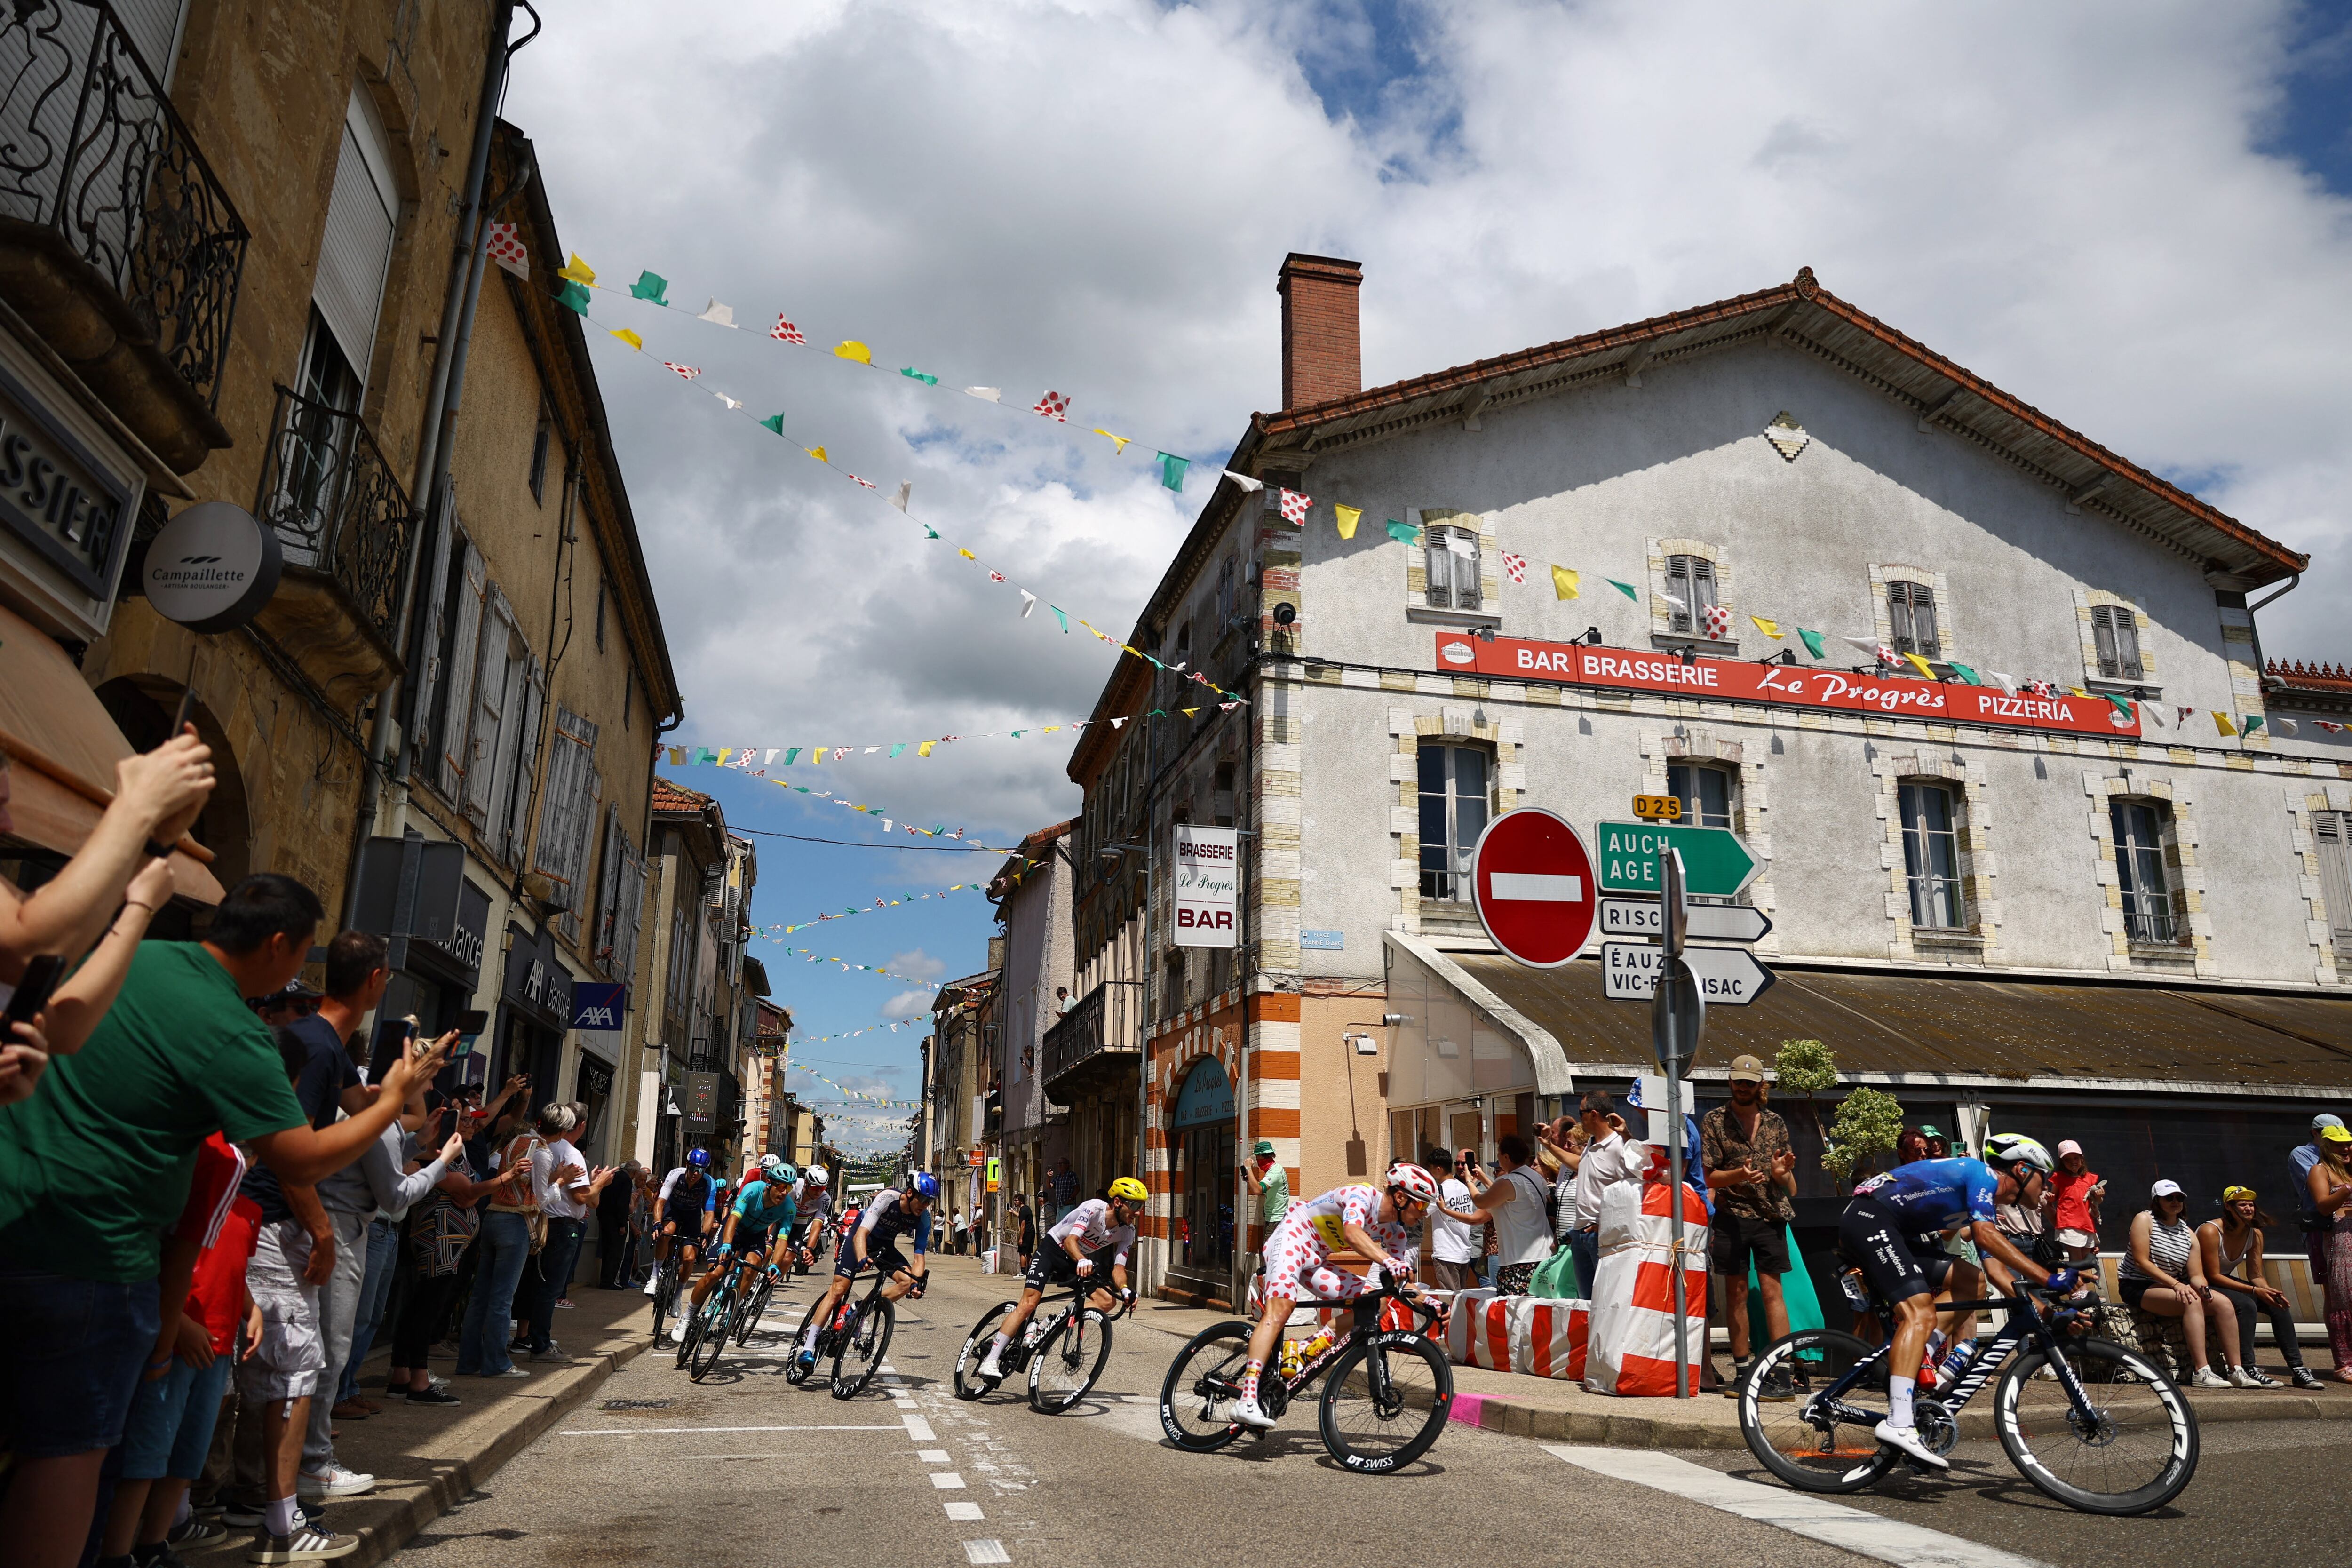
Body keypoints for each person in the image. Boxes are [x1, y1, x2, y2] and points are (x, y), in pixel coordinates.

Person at [0, 873, 446, 1568]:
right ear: (276, 946)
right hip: (95, 1250)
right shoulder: (232, 1029)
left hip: (16, 1216)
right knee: (67, 1458)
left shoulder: (136, 955)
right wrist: (392, 1100)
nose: (302, 972)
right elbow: (297, 1157)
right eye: (301, 955)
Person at [1838, 1133, 2065, 1468]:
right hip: (1871, 1218)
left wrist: (2049, 1312)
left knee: (1972, 1282)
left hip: (1899, 1232)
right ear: (2022, 1169)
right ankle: (1900, 1422)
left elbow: (1997, 1274)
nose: (2046, 1190)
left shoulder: (1986, 1204)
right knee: (1920, 1311)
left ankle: (1922, 1353)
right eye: (2044, 1178)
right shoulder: (1980, 1174)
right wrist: (2049, 1278)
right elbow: (1986, 1236)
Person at [96, 1130, 260, 1568]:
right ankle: (115, 1553)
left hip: (219, 1347)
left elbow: (235, 1269)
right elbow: (164, 1261)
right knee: (147, 1453)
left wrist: (252, 1310)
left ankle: (153, 1544)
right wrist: (178, 1326)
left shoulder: (248, 1210)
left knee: (187, 1454)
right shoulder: (183, 1196)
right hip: (176, 1341)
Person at [1231, 1165, 1451, 1428]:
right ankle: (1247, 1397)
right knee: (1281, 1309)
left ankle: (1305, 1348)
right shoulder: (1362, 1196)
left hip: (1316, 1259)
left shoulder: (1396, 1234)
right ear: (1402, 1198)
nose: (1424, 1214)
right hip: (1292, 1237)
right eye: (1422, 1206)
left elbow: (1398, 1283)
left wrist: (1429, 1302)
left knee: (1376, 1302)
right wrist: (1388, 1260)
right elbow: (1352, 1234)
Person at [386, 1110, 519, 1406]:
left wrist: (474, 1192)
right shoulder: (434, 1156)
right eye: (466, 1119)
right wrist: (505, 1178)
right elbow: (467, 1190)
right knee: (426, 1308)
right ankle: (418, 1381)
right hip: (437, 1238)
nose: (474, 1124)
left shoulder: (459, 1155)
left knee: (425, 1305)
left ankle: (402, 1375)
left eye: (475, 1120)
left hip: (452, 1241)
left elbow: (469, 1196)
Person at [975, 1178, 1144, 1380]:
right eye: (1134, 1206)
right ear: (1118, 1202)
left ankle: (1049, 1323)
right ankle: (991, 1360)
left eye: (1141, 1207)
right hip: (1054, 1249)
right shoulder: (1094, 1209)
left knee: (1107, 1300)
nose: (1138, 1212)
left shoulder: (1128, 1231)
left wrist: (1125, 1289)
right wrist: (1082, 1260)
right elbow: (1071, 1240)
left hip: (1076, 1259)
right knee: (1029, 1303)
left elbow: (1118, 1268)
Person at [1703, 1055, 1799, 1396]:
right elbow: (1709, 1175)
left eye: (1749, 1082)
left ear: (1761, 1084)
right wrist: (1739, 1175)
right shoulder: (1714, 1120)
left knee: (1774, 1293)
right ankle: (1743, 1372)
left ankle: (1783, 1374)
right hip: (1732, 1215)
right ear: (1730, 1082)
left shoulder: (1775, 1123)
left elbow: (1790, 1183)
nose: (1743, 1087)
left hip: (1770, 1214)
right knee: (1737, 1294)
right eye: (1738, 1081)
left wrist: (1779, 1173)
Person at [795, 1174, 937, 1371]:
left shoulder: (924, 1218)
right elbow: (861, 1233)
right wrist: (862, 1257)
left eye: (930, 1202)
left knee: (906, 1282)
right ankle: (809, 1346)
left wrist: (917, 1284)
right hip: (859, 1238)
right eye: (923, 1200)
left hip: (885, 1246)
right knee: (839, 1289)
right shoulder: (888, 1198)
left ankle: (859, 1308)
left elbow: (919, 1257)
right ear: (910, 1193)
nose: (925, 1205)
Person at [2121, 1178, 2249, 1388]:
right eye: (2168, 1198)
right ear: (2157, 1201)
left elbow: (2196, 1274)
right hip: (2139, 1284)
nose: (2175, 1202)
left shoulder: (2187, 1233)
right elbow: (2141, 1261)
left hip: (2172, 1285)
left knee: (2224, 1304)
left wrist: (2202, 1287)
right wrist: (2176, 1285)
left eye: (2179, 1198)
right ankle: (2202, 1371)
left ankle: (2236, 1370)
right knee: (2191, 1302)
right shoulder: (2144, 1219)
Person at [520, 1105, 615, 1360]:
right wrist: (599, 1184)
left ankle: (524, 1338)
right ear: (581, 1126)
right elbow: (584, 1198)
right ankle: (540, 1344)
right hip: (561, 1227)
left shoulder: (540, 1144)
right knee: (550, 1288)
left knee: (534, 1284)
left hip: (538, 1223)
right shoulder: (571, 1153)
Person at [2200, 1185, 2316, 1389]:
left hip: (2224, 1280)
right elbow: (2213, 1275)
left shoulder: (2255, 1233)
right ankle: (2247, 1368)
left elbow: (2255, 1275)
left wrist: (2268, 1291)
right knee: (2246, 1305)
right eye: (2242, 1204)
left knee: (2278, 1305)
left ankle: (2298, 1369)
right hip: (2202, 1282)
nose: (2248, 1209)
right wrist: (2254, 1291)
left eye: (2251, 1205)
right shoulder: (2211, 1230)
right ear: (2228, 1207)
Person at [1445, 1135, 1552, 1295]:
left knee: (1513, 1314)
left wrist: (1469, 1181)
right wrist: (1483, 1178)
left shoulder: (1509, 1181)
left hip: (1519, 1261)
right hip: (1543, 1256)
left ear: (1506, 1156)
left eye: (1499, 1154)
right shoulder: (1534, 1177)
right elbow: (1503, 1197)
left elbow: (1481, 1202)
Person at [692, 1158, 798, 1319]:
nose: (784, 1192)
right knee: (716, 1273)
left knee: (753, 1265)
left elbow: (782, 1239)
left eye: (788, 1187)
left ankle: (731, 1309)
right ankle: (688, 1315)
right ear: (769, 1183)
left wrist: (775, 1264)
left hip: (756, 1236)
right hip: (734, 1229)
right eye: (781, 1186)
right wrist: (727, 1243)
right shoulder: (753, 1189)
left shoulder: (789, 1208)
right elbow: (734, 1218)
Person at [1564, 1091, 1641, 1302]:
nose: (1579, 1119)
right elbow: (1581, 1167)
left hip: (1603, 1234)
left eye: (1581, 1113)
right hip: (1580, 1233)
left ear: (1594, 1114)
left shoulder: (1619, 1146)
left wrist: (1605, 1222)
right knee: (1587, 1303)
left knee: (1608, 1300)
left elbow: (1635, 1189)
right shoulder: (1591, 1143)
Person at [647, 1146, 720, 1335]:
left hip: (692, 1216)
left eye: (701, 1170)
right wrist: (657, 1223)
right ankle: (654, 1277)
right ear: (687, 1165)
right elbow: (661, 1202)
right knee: (667, 1232)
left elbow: (710, 1213)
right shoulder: (675, 1175)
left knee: (688, 1259)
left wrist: (704, 1233)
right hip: (674, 1210)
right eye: (693, 1169)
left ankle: (678, 1294)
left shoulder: (709, 1184)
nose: (696, 1174)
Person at [2304, 1123, 2352, 1380]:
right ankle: (2344, 1363)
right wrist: (2346, 1189)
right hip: (2341, 1238)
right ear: (2326, 1146)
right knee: (2343, 1299)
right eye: (2339, 1144)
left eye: (2348, 1143)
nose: (2346, 1148)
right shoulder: (2319, 1171)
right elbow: (2323, 1206)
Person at [2290, 1113, 2344, 1290]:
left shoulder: (2346, 1154)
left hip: (2345, 1224)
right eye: (2327, 1135)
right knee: (2330, 1285)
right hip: (2322, 1225)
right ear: (2315, 1133)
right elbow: (2324, 1185)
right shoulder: (2301, 1154)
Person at [1422, 1148, 1480, 1291]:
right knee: (1461, 1298)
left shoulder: (1438, 1191)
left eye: (1430, 1169)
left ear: (1438, 1169)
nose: (1430, 1173)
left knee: (1452, 1299)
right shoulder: (1464, 1187)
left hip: (1447, 1253)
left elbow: (1422, 1213)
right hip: (1464, 1252)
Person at [2050, 1139, 2106, 1263]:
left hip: (2087, 1223)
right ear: (2062, 1162)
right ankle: (2077, 1282)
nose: (2073, 1162)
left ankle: (2079, 1281)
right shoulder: (2059, 1177)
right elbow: (2054, 1196)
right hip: (2069, 1222)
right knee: (2076, 1260)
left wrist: (2100, 1196)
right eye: (2067, 1160)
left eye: (2076, 1158)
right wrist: (2050, 1197)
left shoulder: (2090, 1178)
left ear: (2082, 1159)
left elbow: (2095, 1201)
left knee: (2085, 1261)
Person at [1238, 1138, 1290, 1271]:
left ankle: (1271, 1285)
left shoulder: (1274, 1172)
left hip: (1275, 1220)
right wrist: (1249, 1180)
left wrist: (1248, 1168)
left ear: (1262, 1156)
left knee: (1269, 1257)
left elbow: (1257, 1190)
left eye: (1257, 1157)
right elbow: (1262, 1189)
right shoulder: (1277, 1169)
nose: (1257, 1161)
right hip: (1276, 1218)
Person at [597, 1162, 644, 1289]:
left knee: (607, 1251)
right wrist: (622, 1225)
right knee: (615, 1253)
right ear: (634, 1173)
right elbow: (622, 1204)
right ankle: (609, 1281)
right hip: (615, 1221)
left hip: (605, 1218)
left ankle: (606, 1280)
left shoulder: (614, 1176)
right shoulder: (626, 1181)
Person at [1047, 1158, 1079, 1225]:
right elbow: (1049, 1187)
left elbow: (1077, 1189)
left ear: (1067, 1165)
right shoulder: (1058, 1177)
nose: (1060, 1166)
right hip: (1060, 1206)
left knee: (1067, 1227)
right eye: (1059, 1164)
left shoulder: (1071, 1175)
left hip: (1068, 1205)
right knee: (1059, 1228)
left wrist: (1070, 1199)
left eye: (1062, 1164)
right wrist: (1049, 1178)